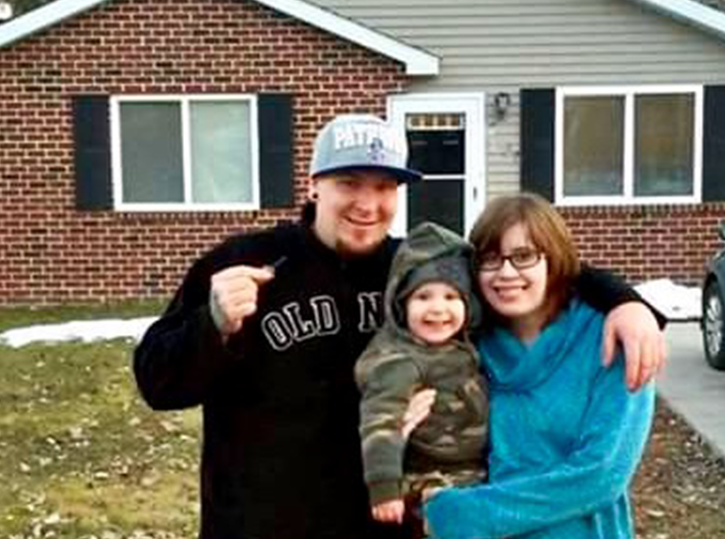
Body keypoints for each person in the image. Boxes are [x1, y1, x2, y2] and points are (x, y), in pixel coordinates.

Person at [133, 113, 664, 539]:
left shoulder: (417, 269)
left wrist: (625, 301)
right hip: (261, 521)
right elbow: (158, 382)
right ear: (315, 184)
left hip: (385, 520)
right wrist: (214, 324)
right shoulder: (244, 262)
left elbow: (516, 265)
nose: (368, 203)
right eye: (349, 182)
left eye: (385, 186)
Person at [425, 193, 656, 539]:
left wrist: (464, 513)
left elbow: (601, 474)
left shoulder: (611, 339)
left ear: (554, 259)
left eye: (524, 256)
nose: (505, 272)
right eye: (490, 259)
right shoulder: (465, 348)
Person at [355, 222, 488, 537]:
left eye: (451, 296)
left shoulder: (462, 345)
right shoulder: (400, 360)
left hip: (473, 471)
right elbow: (379, 421)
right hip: (427, 476)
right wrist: (384, 487)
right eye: (423, 296)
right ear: (402, 304)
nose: (438, 309)